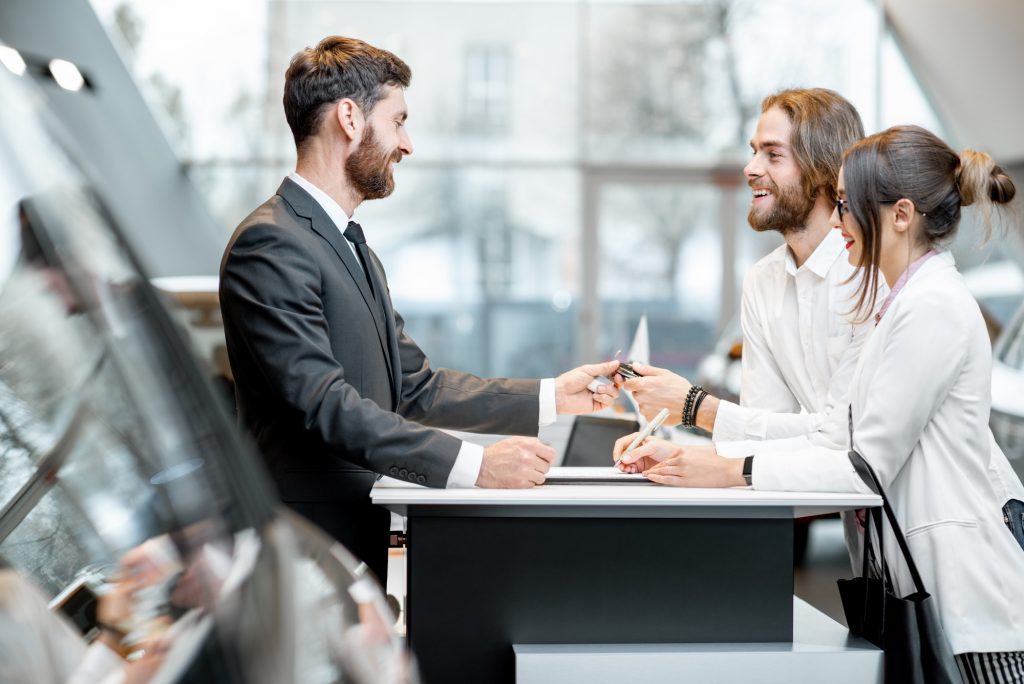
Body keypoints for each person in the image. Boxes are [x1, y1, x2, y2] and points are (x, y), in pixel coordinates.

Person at [617, 126, 1024, 681]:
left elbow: (863, 469)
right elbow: (833, 434)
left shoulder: (931, 307)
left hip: (967, 608)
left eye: (845, 207)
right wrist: (703, 444)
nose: (837, 223)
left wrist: (726, 468)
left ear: (900, 215)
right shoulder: (898, 306)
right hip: (926, 591)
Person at [219, 36, 619, 582]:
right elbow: (324, 405)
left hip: (351, 542)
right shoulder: (270, 244)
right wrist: (477, 466)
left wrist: (554, 395)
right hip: (304, 553)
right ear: (350, 119)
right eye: (398, 120)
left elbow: (415, 388)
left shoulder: (353, 248)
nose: (407, 144)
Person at [621, 88, 869, 448]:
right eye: (755, 152)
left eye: (773, 154)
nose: (751, 169)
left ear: (822, 170)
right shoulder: (762, 282)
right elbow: (763, 431)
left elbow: (849, 435)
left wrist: (695, 407)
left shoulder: (871, 274)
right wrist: (673, 453)